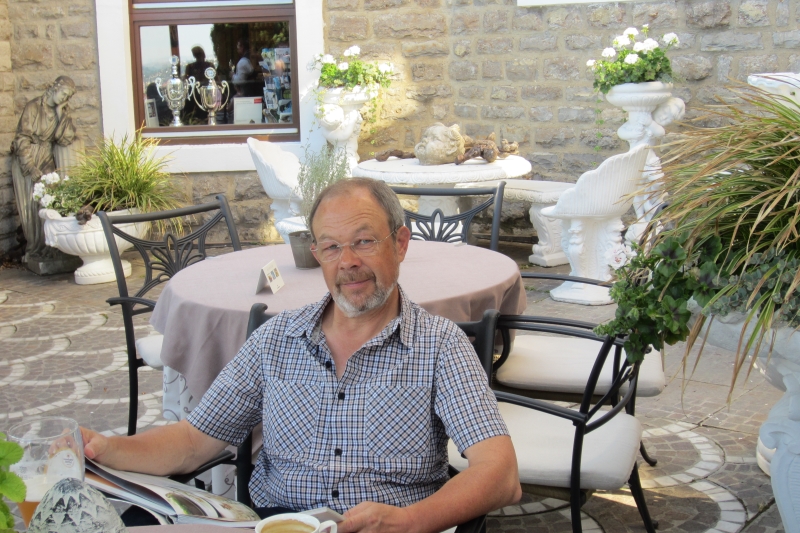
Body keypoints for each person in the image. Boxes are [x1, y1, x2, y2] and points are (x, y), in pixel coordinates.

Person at [80, 178, 521, 533]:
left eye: (364, 241)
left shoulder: (440, 346)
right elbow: (194, 442)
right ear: (317, 255)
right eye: (331, 247)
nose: (347, 261)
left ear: (400, 244)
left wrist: (411, 522)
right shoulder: (276, 339)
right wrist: (107, 447)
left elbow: (500, 474)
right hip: (281, 523)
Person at [11, 75, 79, 261]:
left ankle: (52, 247)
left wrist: (60, 113)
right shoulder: (33, 107)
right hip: (29, 155)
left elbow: (65, 138)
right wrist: (30, 166)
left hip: (47, 156)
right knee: (32, 206)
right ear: (55, 88)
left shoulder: (61, 111)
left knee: (50, 201)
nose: (65, 99)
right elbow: (21, 139)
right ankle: (35, 248)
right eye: (63, 94)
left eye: (68, 97)